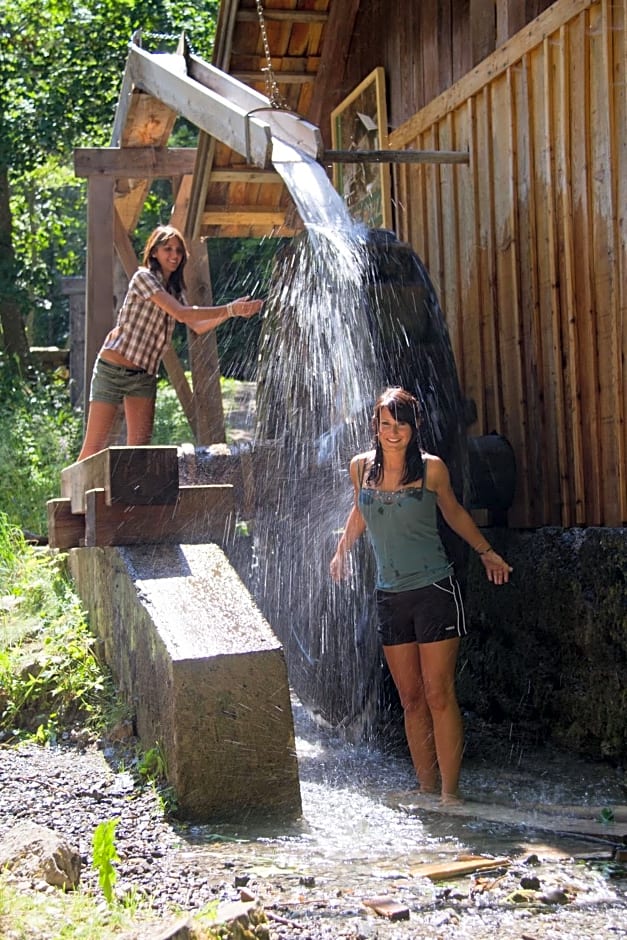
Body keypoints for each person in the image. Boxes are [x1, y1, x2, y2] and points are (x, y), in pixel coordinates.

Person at [329, 386, 512, 804]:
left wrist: (486, 552)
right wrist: (341, 552)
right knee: (411, 698)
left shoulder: (431, 470)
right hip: (390, 596)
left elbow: (454, 513)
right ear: (375, 426)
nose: (393, 433)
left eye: (402, 425)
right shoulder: (360, 468)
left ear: (414, 429)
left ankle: (450, 794)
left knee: (438, 693)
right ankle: (425, 787)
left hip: (433, 590)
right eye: (386, 424)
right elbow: (359, 510)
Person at [77, 224, 263, 460]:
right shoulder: (143, 277)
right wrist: (229, 307)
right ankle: (72, 496)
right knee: (93, 448)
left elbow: (196, 325)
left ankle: (132, 498)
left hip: (143, 377)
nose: (174, 255)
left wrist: (233, 313)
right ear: (154, 252)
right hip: (111, 369)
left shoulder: (175, 291)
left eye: (178, 251)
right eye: (168, 249)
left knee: (139, 453)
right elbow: (183, 314)